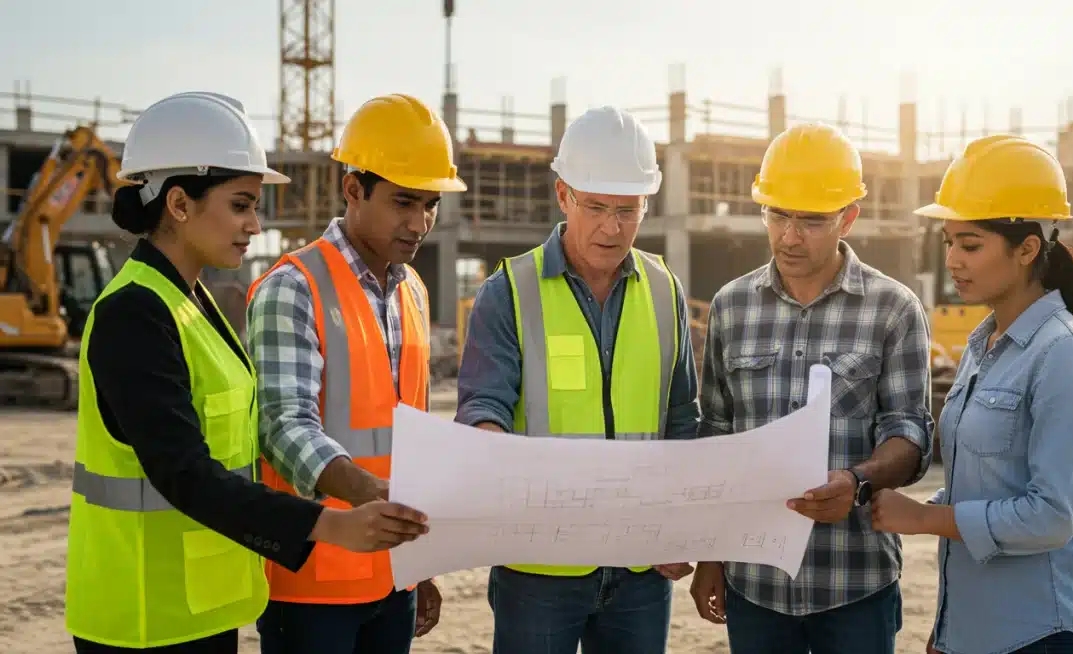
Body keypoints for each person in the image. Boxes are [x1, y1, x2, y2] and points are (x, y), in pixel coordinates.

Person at [64, 91, 427, 653]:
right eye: (240, 205)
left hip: (203, 603)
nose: (255, 225)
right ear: (180, 204)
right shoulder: (133, 313)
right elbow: (185, 474)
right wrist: (331, 524)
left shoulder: (192, 302)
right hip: (142, 616)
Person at [455, 105, 701, 654]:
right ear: (563, 195)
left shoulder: (665, 290)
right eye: (596, 207)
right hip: (539, 567)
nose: (613, 228)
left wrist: (680, 521)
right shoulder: (508, 292)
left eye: (628, 210)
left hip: (640, 568)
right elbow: (481, 409)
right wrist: (490, 456)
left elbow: (682, 420)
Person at [689, 122, 935, 654]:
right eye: (777, 215)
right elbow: (716, 434)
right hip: (754, 583)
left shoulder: (893, 310)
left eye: (812, 221)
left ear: (849, 216)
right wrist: (710, 555)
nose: (789, 236)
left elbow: (909, 434)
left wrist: (857, 482)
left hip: (855, 584)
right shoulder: (732, 307)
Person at [871, 134, 1073, 654]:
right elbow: (982, 487)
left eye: (971, 244)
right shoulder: (984, 345)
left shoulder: (1065, 354)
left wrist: (924, 519)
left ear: (1027, 249)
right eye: (949, 242)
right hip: (973, 635)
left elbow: (1051, 515)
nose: (954, 260)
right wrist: (947, 629)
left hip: (1041, 634)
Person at [246, 93, 463, 654]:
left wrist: (421, 564)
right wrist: (371, 494)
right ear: (352, 190)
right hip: (313, 580)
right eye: (403, 202)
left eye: (430, 204)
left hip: (394, 576)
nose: (420, 223)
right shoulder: (293, 287)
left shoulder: (411, 290)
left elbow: (408, 432)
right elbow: (283, 426)